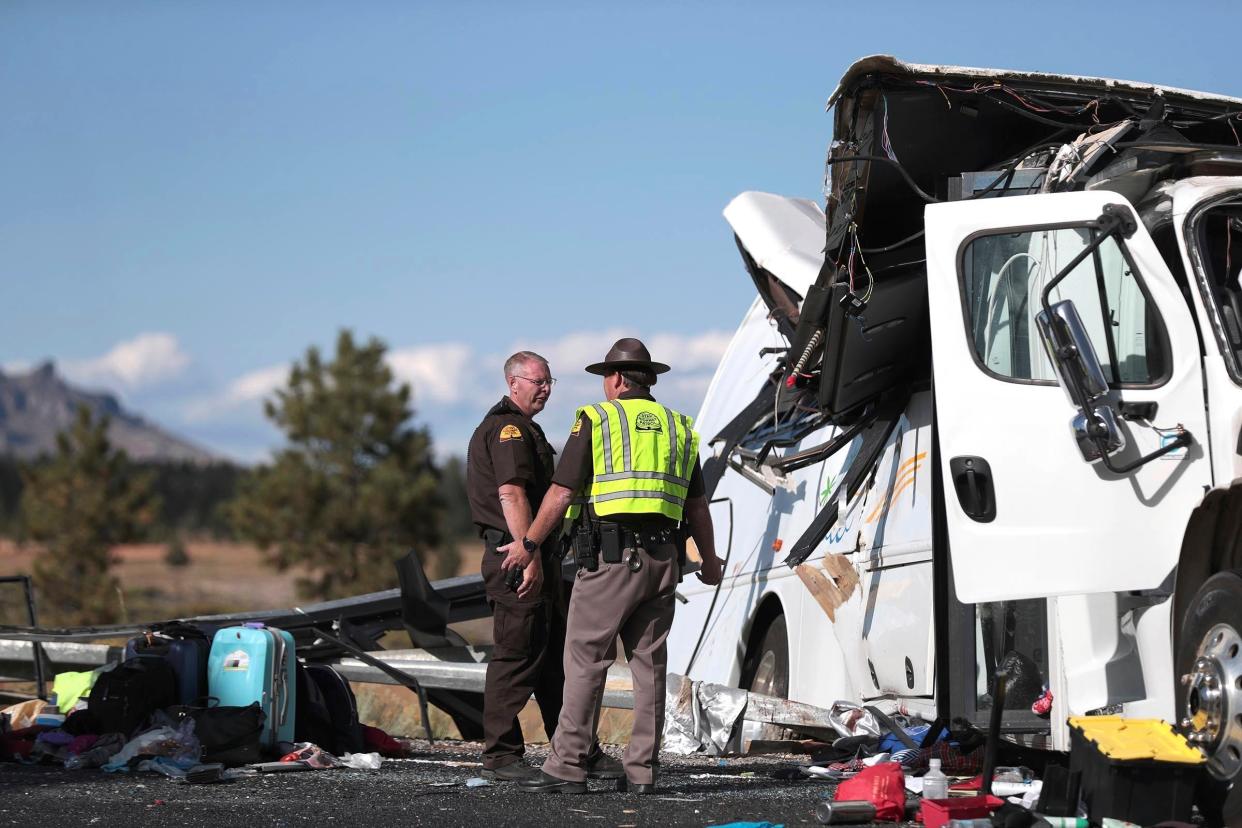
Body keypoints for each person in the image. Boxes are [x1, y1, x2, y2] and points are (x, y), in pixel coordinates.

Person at [502, 337, 723, 795]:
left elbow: (561, 493)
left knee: (585, 661)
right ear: (650, 380)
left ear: (617, 379)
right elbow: (698, 506)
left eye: (606, 376)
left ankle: (567, 766)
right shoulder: (680, 427)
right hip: (664, 560)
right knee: (650, 667)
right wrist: (711, 557)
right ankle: (642, 772)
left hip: (610, 561)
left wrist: (529, 542)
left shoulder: (596, 419)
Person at [465, 351, 620, 782]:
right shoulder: (508, 429)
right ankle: (501, 756)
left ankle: (576, 751)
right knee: (516, 658)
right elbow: (511, 494)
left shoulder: (523, 428)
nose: (545, 389)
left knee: (554, 662)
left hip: (536, 555)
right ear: (513, 383)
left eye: (549, 381)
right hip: (517, 557)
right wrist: (527, 553)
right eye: (537, 381)